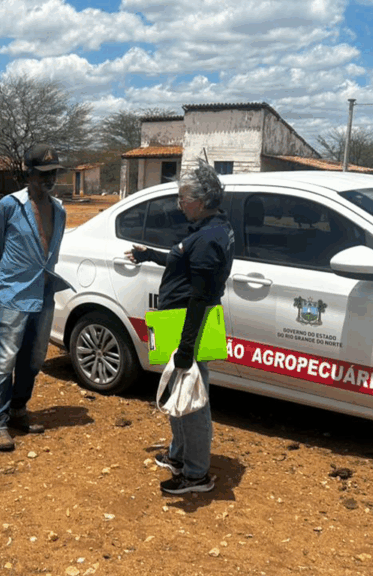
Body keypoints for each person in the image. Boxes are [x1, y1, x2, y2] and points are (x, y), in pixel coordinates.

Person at [126, 158, 234, 495]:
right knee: (177, 391)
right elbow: (182, 259)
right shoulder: (208, 230)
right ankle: (179, 455)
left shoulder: (209, 238)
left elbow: (201, 298)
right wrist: (150, 256)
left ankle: (196, 475)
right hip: (176, 321)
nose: (179, 205)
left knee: (193, 399)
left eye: (183, 199)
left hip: (191, 325)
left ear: (200, 201)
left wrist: (187, 347)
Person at [0, 144, 72, 451]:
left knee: (33, 358)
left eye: (54, 173)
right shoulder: (9, 205)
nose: (50, 180)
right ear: (29, 174)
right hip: (14, 294)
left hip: (44, 293)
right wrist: (4, 279)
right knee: (5, 359)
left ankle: (18, 408)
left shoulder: (59, 209)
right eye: (43, 174)